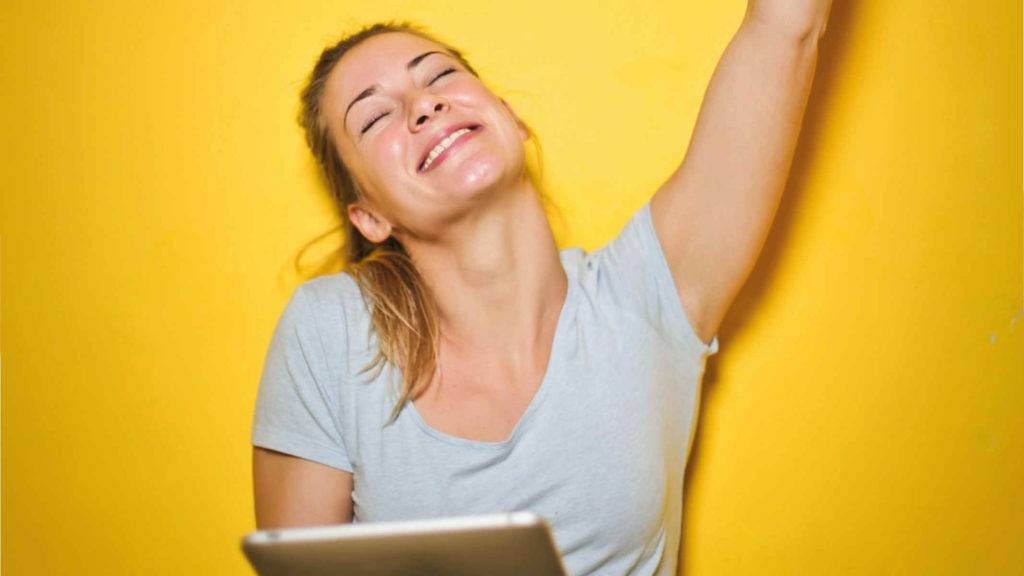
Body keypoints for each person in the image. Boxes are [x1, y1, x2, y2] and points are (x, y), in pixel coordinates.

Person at [252, 2, 832, 574]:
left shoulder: (646, 296)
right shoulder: (330, 332)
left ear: (510, 117)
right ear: (369, 217)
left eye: (440, 75)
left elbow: (787, 27)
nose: (423, 104)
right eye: (375, 118)